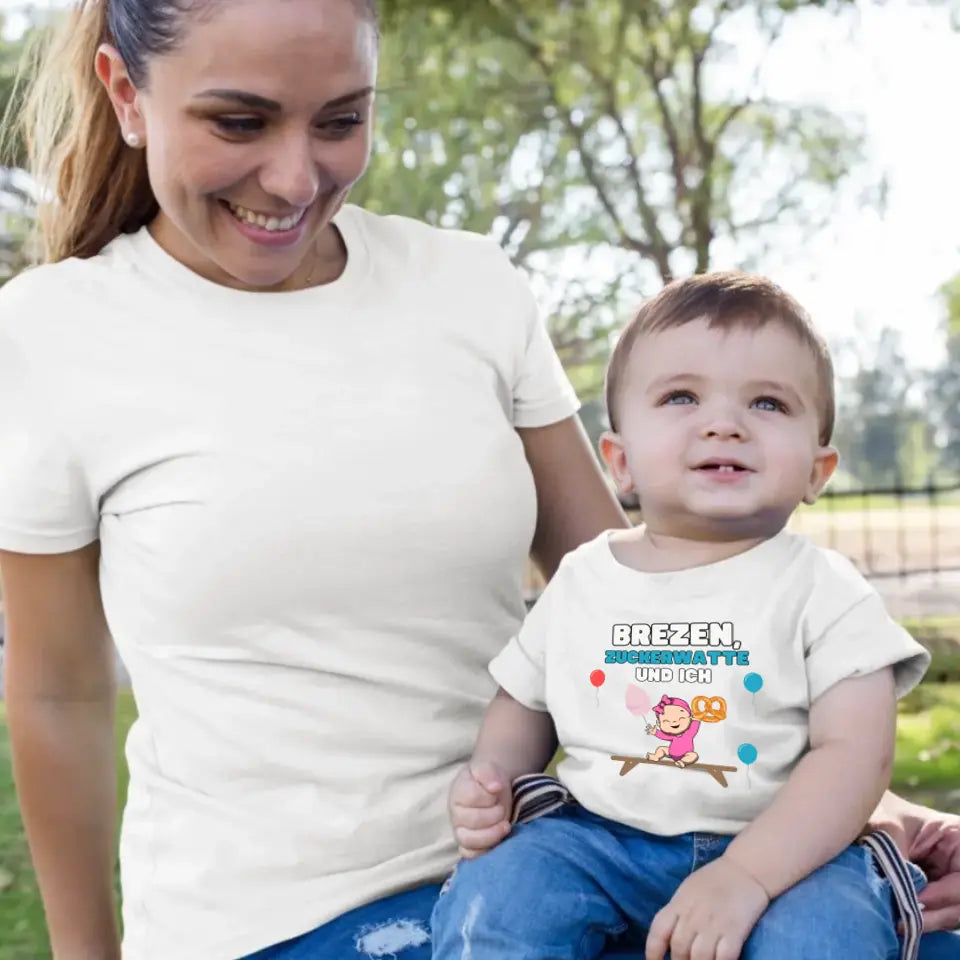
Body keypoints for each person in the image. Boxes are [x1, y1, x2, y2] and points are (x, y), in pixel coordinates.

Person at [0, 1, 955, 959]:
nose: (295, 176)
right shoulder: (52, 336)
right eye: (239, 122)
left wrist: (850, 797)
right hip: (282, 922)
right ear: (127, 93)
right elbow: (58, 694)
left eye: (341, 120)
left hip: (581, 857)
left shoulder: (469, 285)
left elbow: (648, 597)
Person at [431, 273, 960, 960]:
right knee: (500, 895)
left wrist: (746, 874)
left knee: (827, 935)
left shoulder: (823, 590)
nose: (723, 423)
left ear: (817, 471)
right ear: (619, 462)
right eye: (681, 396)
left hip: (788, 851)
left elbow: (856, 754)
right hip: (598, 839)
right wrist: (490, 778)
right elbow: (523, 699)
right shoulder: (585, 577)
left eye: (767, 402)